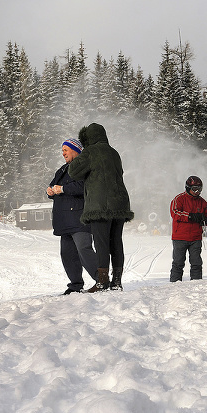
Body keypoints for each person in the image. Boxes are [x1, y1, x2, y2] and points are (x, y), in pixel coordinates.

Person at [67, 122, 134, 292]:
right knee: (116, 242)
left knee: (101, 243)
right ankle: (117, 281)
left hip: (99, 205)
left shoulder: (90, 152)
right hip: (120, 203)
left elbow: (73, 171)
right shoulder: (114, 153)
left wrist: (81, 154)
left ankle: (102, 282)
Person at [47, 138, 97, 294]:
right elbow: (53, 185)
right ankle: (75, 285)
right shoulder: (62, 170)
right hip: (64, 221)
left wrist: (61, 189)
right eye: (62, 151)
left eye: (65, 150)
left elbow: (84, 186)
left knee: (84, 249)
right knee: (67, 254)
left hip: (79, 217)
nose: (63, 153)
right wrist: (50, 191)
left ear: (75, 150)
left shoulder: (84, 166)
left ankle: (102, 280)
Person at [169, 176, 207, 282]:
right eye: (194, 189)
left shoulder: (202, 202)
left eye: (199, 189)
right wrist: (190, 216)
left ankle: (196, 285)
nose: (197, 192)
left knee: (196, 262)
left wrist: (205, 219)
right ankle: (174, 285)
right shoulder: (179, 199)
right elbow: (174, 212)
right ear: (188, 188)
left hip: (195, 237)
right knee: (178, 262)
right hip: (180, 237)